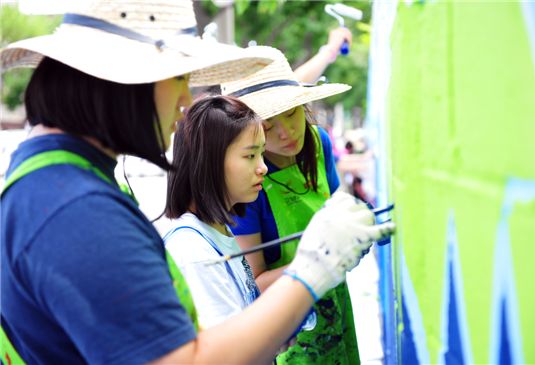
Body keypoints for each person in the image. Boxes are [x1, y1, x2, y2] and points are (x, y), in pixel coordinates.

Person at [0, 1, 395, 364]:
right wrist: (313, 270)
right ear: (125, 80)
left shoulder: (53, 182)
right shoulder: (74, 209)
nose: (186, 102)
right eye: (179, 79)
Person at [221, 46, 362, 364]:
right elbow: (254, 284)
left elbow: (336, 210)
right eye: (268, 127)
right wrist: (326, 257)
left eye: (291, 113)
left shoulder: (319, 143)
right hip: (289, 334)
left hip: (336, 307)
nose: (287, 133)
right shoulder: (247, 181)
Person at [163, 95, 265, 329]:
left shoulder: (217, 229)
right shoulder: (193, 251)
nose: (263, 167)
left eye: (262, 153)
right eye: (250, 155)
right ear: (210, 160)